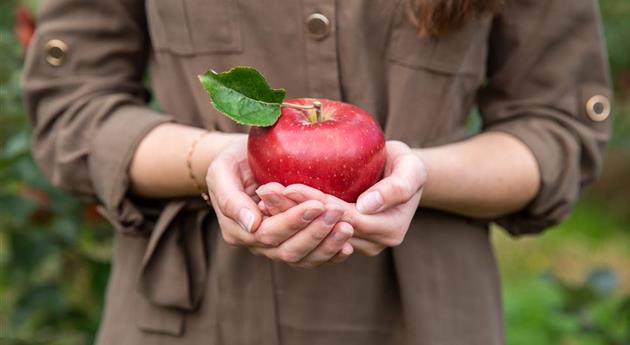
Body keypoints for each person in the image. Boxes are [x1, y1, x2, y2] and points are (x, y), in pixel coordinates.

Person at [23, 0, 612, 344]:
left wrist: (415, 175)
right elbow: (73, 107)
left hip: (427, 321)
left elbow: (557, 129)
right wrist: (211, 160)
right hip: (197, 321)